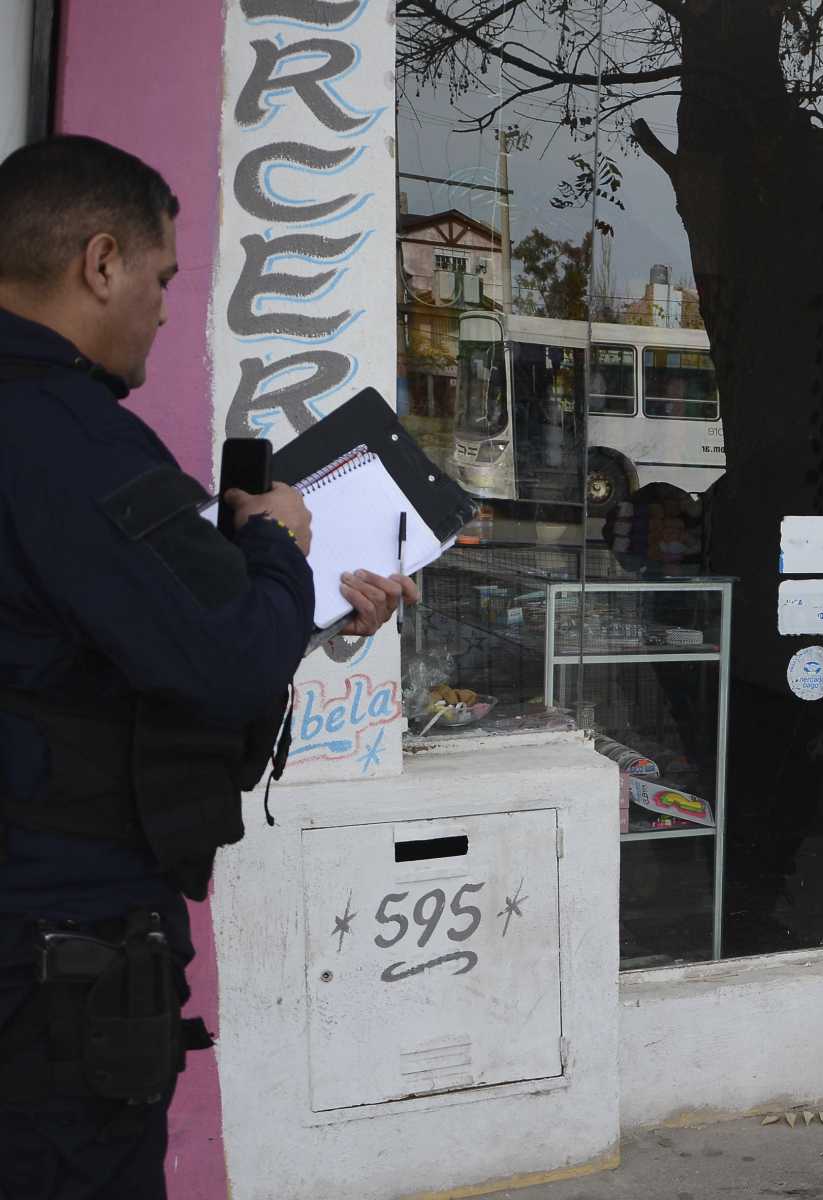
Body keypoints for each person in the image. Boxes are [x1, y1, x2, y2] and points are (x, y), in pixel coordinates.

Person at [0, 135, 418, 1199]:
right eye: (162, 278)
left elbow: (93, 646)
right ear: (100, 262)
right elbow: (224, 662)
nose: (163, 308)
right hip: (52, 956)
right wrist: (277, 545)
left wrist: (303, 614)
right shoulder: (73, 440)